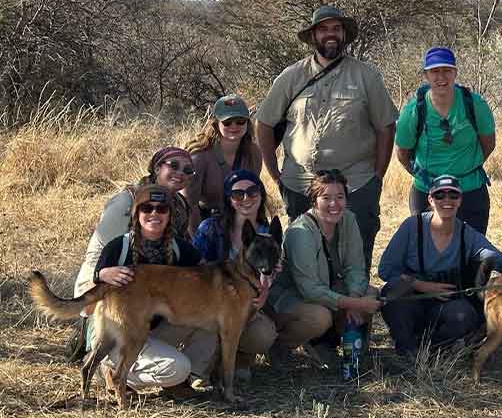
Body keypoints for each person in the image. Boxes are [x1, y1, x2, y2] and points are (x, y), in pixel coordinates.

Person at [255, 5, 399, 271]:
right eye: (323, 29)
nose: (330, 34)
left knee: (356, 256)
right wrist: (276, 175)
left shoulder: (366, 76)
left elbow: (386, 127)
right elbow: (264, 123)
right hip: (300, 184)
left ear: (344, 35)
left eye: (336, 29)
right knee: (303, 257)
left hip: (356, 183)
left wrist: (377, 178)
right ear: (313, 37)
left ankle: (355, 310)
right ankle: (312, 311)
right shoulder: (291, 76)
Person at [379, 175, 502, 357]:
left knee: (464, 315)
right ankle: (406, 348)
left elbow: (493, 255)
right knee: (393, 291)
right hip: (413, 300)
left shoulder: (465, 232)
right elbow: (385, 269)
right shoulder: (412, 226)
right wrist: (420, 285)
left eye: (453, 195)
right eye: (440, 195)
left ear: (460, 200)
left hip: (444, 306)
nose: (447, 201)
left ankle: (431, 348)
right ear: (430, 199)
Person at [91, 185, 208, 398]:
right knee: (176, 368)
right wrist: (101, 274)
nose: (154, 214)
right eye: (147, 208)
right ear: (136, 214)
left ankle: (179, 384)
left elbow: (209, 274)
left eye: (162, 209)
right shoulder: (119, 247)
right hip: (120, 333)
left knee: (209, 326)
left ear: (170, 215)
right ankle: (116, 374)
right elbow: (91, 296)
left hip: (155, 329)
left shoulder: (180, 249)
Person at [266, 169, 383, 366]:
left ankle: (340, 347)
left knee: (369, 293)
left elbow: (355, 267)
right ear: (314, 201)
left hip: (327, 289)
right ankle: (279, 344)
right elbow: (309, 290)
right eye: (326, 197)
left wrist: (355, 297)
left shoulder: (349, 219)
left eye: (340, 197)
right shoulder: (300, 232)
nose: (334, 204)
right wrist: (355, 305)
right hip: (291, 297)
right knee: (319, 318)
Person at [394, 47, 496, 233]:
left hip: (470, 189)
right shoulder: (413, 111)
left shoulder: (474, 104)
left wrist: (466, 168)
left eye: (447, 70)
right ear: (426, 75)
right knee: (426, 252)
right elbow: (402, 154)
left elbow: (488, 144)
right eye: (434, 71)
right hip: (428, 190)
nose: (441, 77)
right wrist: (424, 176)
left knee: (471, 252)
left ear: (455, 72)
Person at [74, 147, 195, 300]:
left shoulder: (180, 205)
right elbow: (100, 255)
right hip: (107, 282)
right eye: (174, 166)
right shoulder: (126, 201)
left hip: (150, 284)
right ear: (157, 168)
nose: (180, 173)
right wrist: (100, 276)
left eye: (188, 170)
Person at [192, 170, 278, 383]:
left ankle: (240, 358)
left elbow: (271, 269)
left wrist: (265, 290)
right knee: (215, 324)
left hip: (250, 304)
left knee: (264, 333)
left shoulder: (268, 231)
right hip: (211, 302)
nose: (246, 198)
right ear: (229, 199)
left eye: (252, 192)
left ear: (261, 195)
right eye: (238, 194)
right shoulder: (210, 228)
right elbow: (196, 268)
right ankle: (205, 367)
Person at [183, 94, 262, 237]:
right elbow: (190, 205)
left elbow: (254, 196)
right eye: (227, 122)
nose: (234, 126)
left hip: (241, 219)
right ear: (216, 124)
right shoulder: (199, 157)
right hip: (204, 223)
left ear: (247, 123)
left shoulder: (253, 153)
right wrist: (198, 243)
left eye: (240, 121)